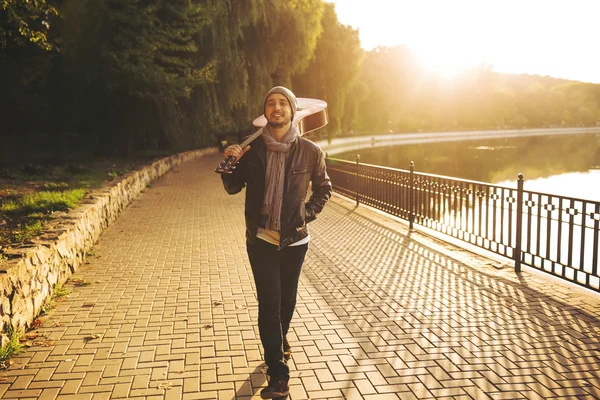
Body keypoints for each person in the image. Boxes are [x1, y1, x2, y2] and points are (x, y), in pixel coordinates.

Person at [221, 86, 331, 399]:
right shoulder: (251, 150)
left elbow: (324, 190)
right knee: (269, 302)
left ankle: (280, 337)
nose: (277, 107)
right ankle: (278, 374)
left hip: (295, 241)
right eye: (271, 103)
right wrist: (229, 163)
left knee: (287, 300)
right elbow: (232, 187)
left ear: (292, 111)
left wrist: (303, 214)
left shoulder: (311, 151)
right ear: (265, 112)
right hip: (261, 239)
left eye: (283, 103)